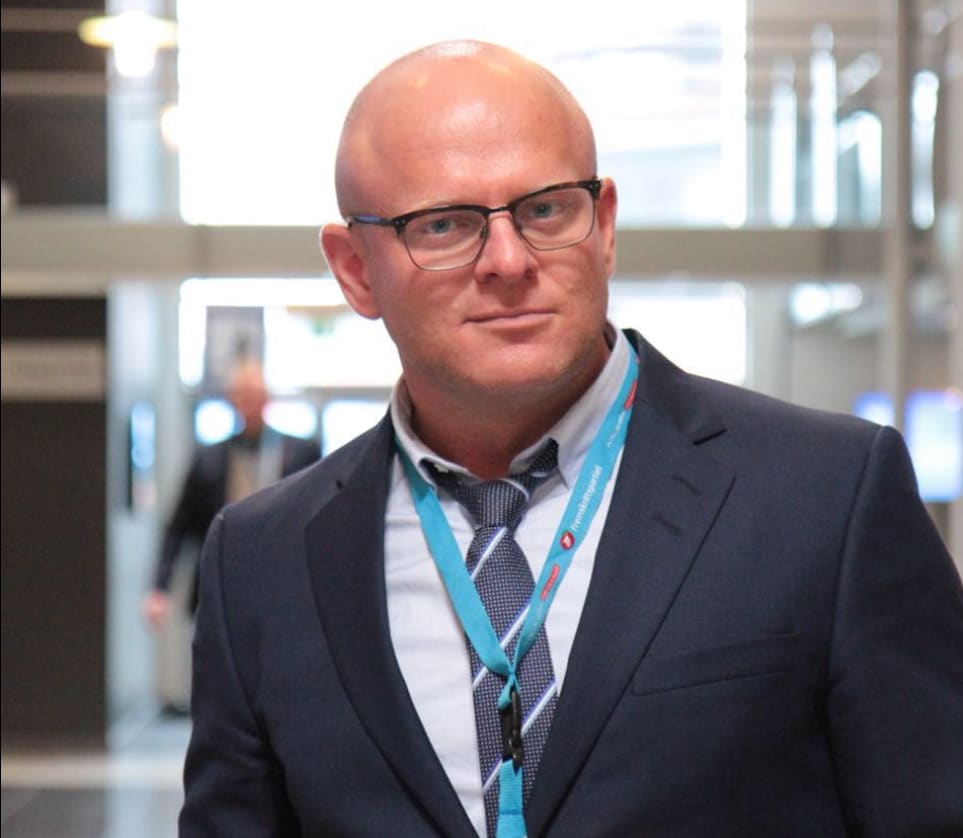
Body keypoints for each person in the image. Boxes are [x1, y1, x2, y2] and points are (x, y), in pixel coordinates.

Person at [179, 41, 963, 838]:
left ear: (604, 225)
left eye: (545, 209)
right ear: (354, 270)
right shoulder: (262, 563)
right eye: (443, 225)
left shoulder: (823, 498)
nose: (508, 260)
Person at [143, 358, 320, 628]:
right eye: (243, 395)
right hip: (222, 585)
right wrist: (160, 587)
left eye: (254, 395)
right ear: (232, 400)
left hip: (282, 585)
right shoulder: (209, 460)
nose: (249, 403)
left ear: (267, 398)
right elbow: (179, 526)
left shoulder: (301, 453)